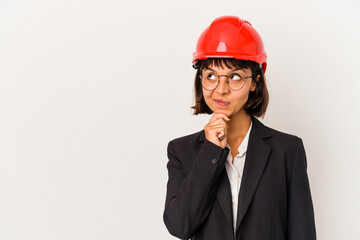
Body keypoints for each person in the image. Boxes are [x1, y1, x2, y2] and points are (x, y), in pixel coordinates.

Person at [163, 15, 316, 240]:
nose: (220, 89)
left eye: (234, 76)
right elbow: (179, 226)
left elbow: (302, 233)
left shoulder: (287, 151)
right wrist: (210, 153)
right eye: (211, 76)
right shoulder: (181, 151)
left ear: (254, 81)